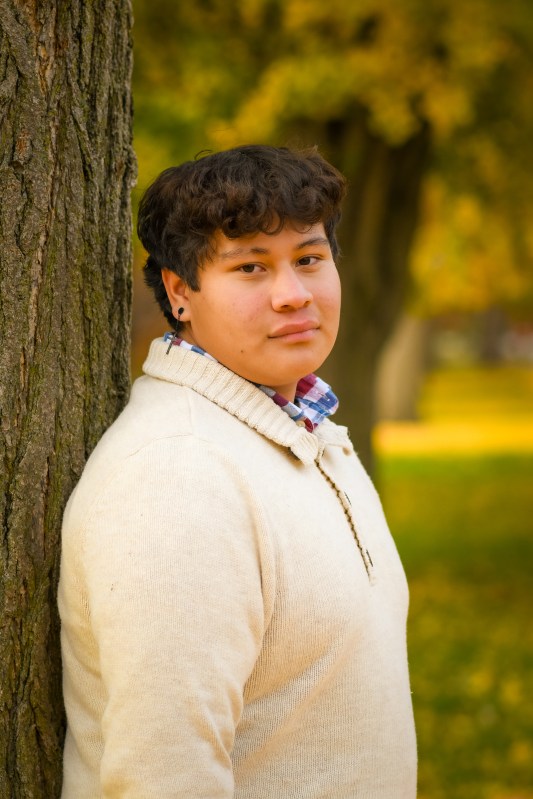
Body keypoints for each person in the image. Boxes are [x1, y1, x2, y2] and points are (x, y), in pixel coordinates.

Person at [58, 144, 417, 798]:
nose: (293, 295)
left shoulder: (306, 429)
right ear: (180, 292)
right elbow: (164, 775)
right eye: (251, 267)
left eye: (308, 259)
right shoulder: (176, 475)